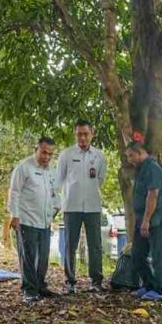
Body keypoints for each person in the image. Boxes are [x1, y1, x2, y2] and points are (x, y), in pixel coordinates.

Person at [58, 119, 108, 294]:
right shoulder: (66, 155)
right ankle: (70, 282)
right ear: (75, 134)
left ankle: (96, 281)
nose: (82, 138)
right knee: (70, 245)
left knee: (95, 245)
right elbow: (59, 179)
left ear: (91, 134)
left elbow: (100, 179)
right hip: (71, 206)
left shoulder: (99, 156)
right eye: (79, 134)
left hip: (93, 206)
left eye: (86, 134)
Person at [9, 137, 59, 302]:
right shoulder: (24, 167)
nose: (46, 157)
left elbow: (53, 193)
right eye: (44, 152)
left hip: (45, 221)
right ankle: (29, 290)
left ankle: (40, 287)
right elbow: (14, 192)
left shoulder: (51, 171)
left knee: (43, 257)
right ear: (36, 149)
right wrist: (14, 215)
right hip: (26, 219)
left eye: (50, 154)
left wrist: (55, 209)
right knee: (28, 257)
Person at [127, 141, 162, 301]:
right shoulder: (141, 169)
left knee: (158, 255)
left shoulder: (152, 167)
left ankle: (159, 289)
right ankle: (148, 284)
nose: (130, 159)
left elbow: (153, 195)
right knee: (137, 254)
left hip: (155, 218)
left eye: (131, 155)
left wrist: (147, 220)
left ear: (140, 153)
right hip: (141, 218)